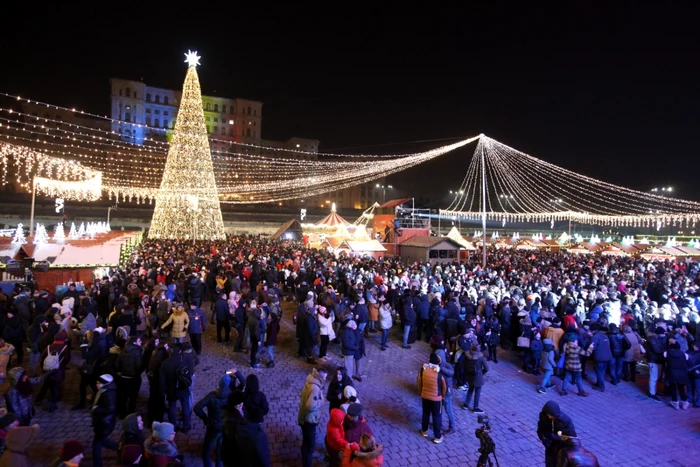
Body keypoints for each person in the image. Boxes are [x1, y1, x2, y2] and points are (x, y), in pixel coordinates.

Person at [194, 374, 231, 467]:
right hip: (225, 426)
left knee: (206, 451)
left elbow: (197, 408)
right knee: (219, 452)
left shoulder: (212, 396)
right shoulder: (231, 395)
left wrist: (205, 418)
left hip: (213, 427)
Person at [298, 367, 328, 467]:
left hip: (304, 417)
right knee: (309, 445)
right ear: (320, 376)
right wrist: (320, 401)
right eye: (325, 377)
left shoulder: (310, 380)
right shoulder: (315, 388)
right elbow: (310, 406)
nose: (325, 379)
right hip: (309, 420)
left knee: (306, 442)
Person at [160, 344, 193, 433]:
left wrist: (163, 390)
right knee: (185, 406)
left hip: (171, 388)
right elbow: (189, 371)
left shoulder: (165, 363)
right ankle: (186, 426)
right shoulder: (184, 359)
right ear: (179, 351)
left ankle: (172, 426)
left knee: (172, 407)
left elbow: (162, 380)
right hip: (183, 387)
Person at [417, 353, 447, 444]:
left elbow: (419, 382)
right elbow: (444, 386)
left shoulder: (423, 370)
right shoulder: (439, 373)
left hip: (425, 396)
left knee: (425, 414)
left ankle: (424, 430)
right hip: (437, 399)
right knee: (437, 417)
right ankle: (437, 436)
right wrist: (442, 396)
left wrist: (421, 392)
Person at [537, 401, 576, 467]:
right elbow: (540, 429)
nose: (549, 417)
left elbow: (571, 437)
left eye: (551, 415)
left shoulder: (565, 421)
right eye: (548, 414)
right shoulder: (543, 416)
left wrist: (554, 437)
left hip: (562, 449)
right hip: (550, 447)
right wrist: (543, 438)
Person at [91, 374, 118, 467]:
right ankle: (120, 448)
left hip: (104, 423)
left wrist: (96, 409)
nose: (96, 384)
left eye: (98, 383)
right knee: (100, 441)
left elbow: (110, 408)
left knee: (97, 443)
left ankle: (97, 464)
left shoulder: (108, 394)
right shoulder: (104, 391)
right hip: (103, 422)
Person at [463, 344, 489, 413]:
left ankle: (466, 404)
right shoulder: (481, 357)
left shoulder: (467, 355)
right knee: (477, 391)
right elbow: (486, 368)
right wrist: (481, 373)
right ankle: (475, 407)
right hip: (478, 377)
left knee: (470, 389)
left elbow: (464, 365)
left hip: (469, 375)